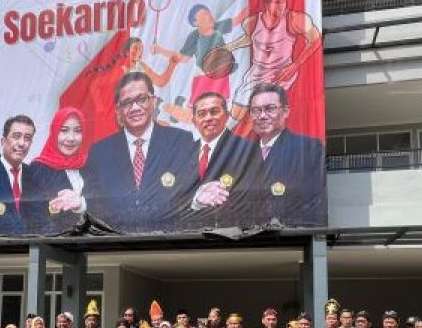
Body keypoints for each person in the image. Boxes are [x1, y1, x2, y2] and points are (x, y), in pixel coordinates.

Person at [82, 72, 194, 233]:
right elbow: (93, 203)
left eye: (141, 99)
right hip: (114, 245)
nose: (135, 108)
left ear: (153, 101)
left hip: (170, 244)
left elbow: (188, 194)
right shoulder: (99, 152)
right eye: (127, 102)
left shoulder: (181, 142)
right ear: (118, 110)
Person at [246, 83, 325, 226]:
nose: (262, 116)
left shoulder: (308, 148)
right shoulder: (242, 154)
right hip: (246, 238)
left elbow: (314, 198)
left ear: (286, 111)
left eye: (270, 108)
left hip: (291, 235)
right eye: (256, 110)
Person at [183, 91, 263, 229]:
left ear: (226, 116)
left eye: (214, 112)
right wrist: (196, 202)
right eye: (201, 114)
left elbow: (253, 196)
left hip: (233, 235)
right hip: (189, 235)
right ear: (194, 121)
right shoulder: (183, 154)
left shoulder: (247, 150)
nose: (208, 118)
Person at [32, 106, 90, 230]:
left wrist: (81, 204)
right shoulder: (39, 168)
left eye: (77, 131)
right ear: (54, 132)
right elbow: (35, 217)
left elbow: (105, 206)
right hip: (57, 244)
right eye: (64, 130)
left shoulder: (90, 165)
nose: (71, 138)